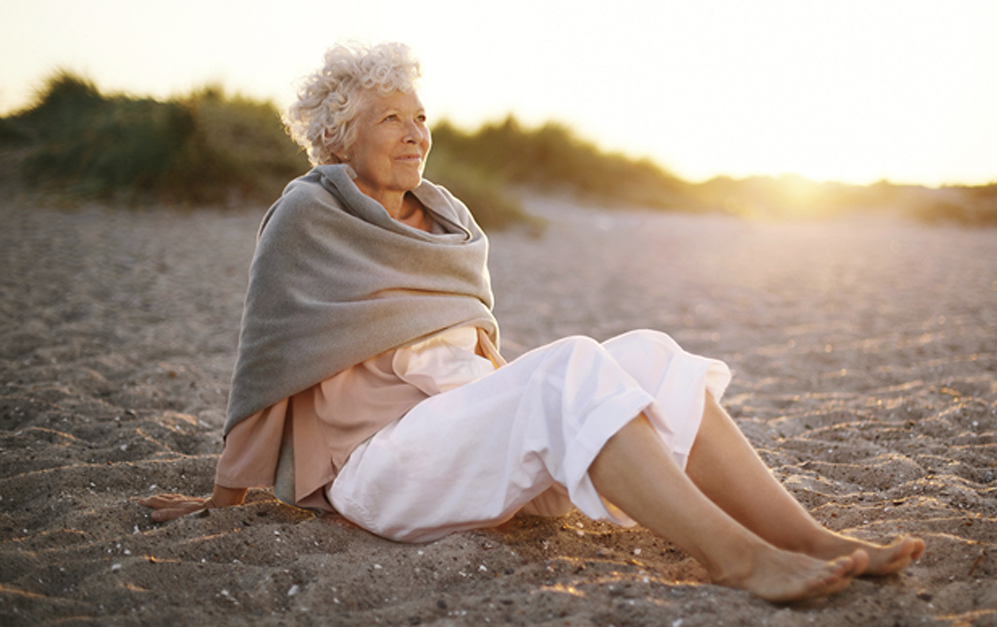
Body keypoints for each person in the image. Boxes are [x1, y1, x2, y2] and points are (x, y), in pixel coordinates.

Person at [140, 41, 924, 603]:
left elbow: (470, 364)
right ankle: (738, 557)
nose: (415, 133)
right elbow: (267, 354)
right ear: (339, 134)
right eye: (389, 119)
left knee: (648, 351)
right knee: (572, 361)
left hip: (458, 442)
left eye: (419, 116)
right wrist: (227, 497)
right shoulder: (309, 212)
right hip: (381, 469)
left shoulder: (444, 218)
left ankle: (812, 538)